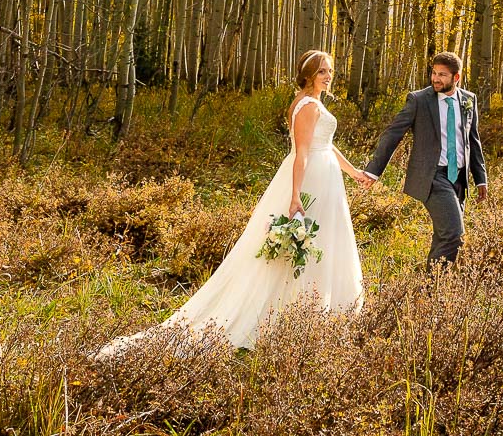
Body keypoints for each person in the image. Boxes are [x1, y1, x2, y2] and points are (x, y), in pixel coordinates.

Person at [95, 50, 368, 357]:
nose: (328, 77)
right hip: (312, 180)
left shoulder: (313, 103)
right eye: (322, 72)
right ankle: (293, 315)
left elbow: (327, 147)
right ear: (308, 76)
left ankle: (315, 312)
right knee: (304, 246)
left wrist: (354, 172)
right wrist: (294, 195)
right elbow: (303, 153)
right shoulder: (307, 106)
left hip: (325, 176)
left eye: (329, 71)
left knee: (321, 244)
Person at [360, 51, 488, 266]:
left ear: (456, 78)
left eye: (443, 75)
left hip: (459, 179)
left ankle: (432, 288)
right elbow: (393, 133)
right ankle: (432, 288)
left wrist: (480, 178)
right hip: (433, 177)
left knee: (443, 236)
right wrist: (373, 171)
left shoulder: (468, 100)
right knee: (455, 234)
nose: (436, 78)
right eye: (434, 73)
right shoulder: (419, 100)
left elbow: (472, 140)